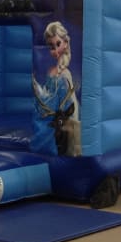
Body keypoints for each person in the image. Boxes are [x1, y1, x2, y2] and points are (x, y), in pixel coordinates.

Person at [34, 21, 80, 155]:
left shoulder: (64, 74)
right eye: (51, 47)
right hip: (54, 118)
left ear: (65, 43)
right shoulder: (52, 71)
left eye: (58, 44)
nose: (55, 50)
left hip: (62, 124)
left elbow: (68, 104)